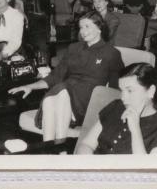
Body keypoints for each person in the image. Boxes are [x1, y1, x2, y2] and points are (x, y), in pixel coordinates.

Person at [9, 11, 123, 149]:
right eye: (81, 27)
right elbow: (56, 76)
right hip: (66, 92)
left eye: (87, 26)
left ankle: (59, 151)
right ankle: (51, 151)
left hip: (89, 100)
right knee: (51, 99)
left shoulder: (111, 53)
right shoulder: (73, 48)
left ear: (99, 28)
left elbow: (115, 86)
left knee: (62, 93)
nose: (83, 31)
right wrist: (30, 87)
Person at [76, 63, 157, 155]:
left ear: (151, 91)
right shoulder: (116, 106)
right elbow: (86, 144)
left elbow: (147, 171)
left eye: (130, 90)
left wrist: (135, 129)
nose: (123, 97)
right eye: (122, 90)